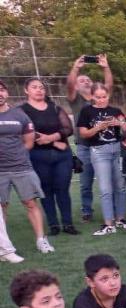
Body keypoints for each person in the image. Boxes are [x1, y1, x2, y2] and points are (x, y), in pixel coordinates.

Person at [2, 80, 55, 255]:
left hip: (22, 168)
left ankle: (41, 240)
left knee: (31, 203)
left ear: (6, 93)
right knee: (1, 207)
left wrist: (17, 154)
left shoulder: (19, 114)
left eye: (1, 90)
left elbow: (29, 140)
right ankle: (4, 244)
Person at [20, 78, 77, 240]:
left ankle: (68, 224)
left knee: (63, 189)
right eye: (34, 87)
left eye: (41, 87)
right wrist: (43, 138)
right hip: (38, 156)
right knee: (46, 191)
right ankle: (53, 225)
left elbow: (68, 128)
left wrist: (52, 137)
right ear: (26, 90)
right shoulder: (22, 111)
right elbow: (22, 130)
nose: (39, 90)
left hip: (62, 156)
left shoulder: (55, 107)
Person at [76, 83, 126, 236]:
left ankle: (121, 219)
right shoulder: (87, 111)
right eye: (98, 97)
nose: (101, 100)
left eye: (104, 97)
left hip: (117, 149)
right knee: (105, 188)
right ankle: (108, 223)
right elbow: (83, 134)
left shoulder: (115, 111)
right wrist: (98, 128)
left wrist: (119, 123)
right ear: (92, 96)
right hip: (99, 152)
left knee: (120, 186)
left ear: (108, 96)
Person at [66, 54, 113, 223]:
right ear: (76, 87)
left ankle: (112, 209)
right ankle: (87, 210)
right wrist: (76, 68)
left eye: (88, 79)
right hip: (84, 146)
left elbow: (108, 85)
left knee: (108, 181)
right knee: (85, 183)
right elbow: (70, 84)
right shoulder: (75, 100)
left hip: (104, 145)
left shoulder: (99, 98)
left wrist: (105, 67)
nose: (85, 81)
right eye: (81, 80)